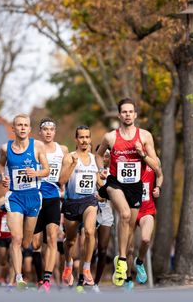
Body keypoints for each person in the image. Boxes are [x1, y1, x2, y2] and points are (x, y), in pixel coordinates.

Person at [96, 98, 161, 287]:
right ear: (119, 115)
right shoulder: (110, 137)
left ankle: (122, 258)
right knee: (124, 214)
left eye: (130, 112)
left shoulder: (145, 136)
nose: (127, 115)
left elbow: (156, 165)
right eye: (124, 112)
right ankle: (123, 261)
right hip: (115, 183)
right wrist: (102, 170)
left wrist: (142, 154)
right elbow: (98, 155)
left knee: (130, 226)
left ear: (135, 114)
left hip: (135, 186)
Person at [0, 113, 50, 289]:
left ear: (29, 128)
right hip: (15, 197)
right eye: (19, 125)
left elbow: (47, 170)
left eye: (25, 125)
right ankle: (19, 278)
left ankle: (18, 272)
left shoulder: (38, 146)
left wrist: (36, 173)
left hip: (33, 197)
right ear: (13, 128)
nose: (22, 128)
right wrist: (3, 176)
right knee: (16, 238)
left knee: (27, 243)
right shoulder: (6, 148)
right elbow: (0, 164)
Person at [31, 118, 72, 292]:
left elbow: (69, 169)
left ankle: (47, 279)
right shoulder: (33, 148)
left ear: (55, 132)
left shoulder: (62, 150)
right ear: (40, 132)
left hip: (53, 197)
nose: (48, 132)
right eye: (45, 129)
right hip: (35, 196)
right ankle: (39, 277)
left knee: (52, 237)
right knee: (35, 243)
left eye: (51, 129)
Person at [59, 125, 99, 290]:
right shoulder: (69, 157)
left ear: (90, 139)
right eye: (81, 137)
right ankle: (68, 265)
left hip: (89, 201)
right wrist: (72, 166)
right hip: (72, 203)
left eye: (87, 137)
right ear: (76, 139)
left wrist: (104, 186)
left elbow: (99, 181)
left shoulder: (94, 158)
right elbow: (61, 180)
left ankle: (86, 269)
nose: (84, 140)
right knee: (70, 241)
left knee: (90, 232)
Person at [129, 158, 163, 286]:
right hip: (130, 209)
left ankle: (139, 262)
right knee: (129, 248)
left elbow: (160, 175)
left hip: (147, 210)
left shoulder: (154, 160)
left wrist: (158, 187)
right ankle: (127, 279)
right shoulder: (128, 159)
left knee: (145, 239)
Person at [93, 150, 114, 292]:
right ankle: (81, 278)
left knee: (102, 250)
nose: (105, 158)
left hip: (106, 212)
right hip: (90, 209)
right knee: (87, 245)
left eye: (108, 155)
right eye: (102, 155)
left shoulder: (114, 173)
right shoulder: (90, 169)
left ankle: (95, 283)